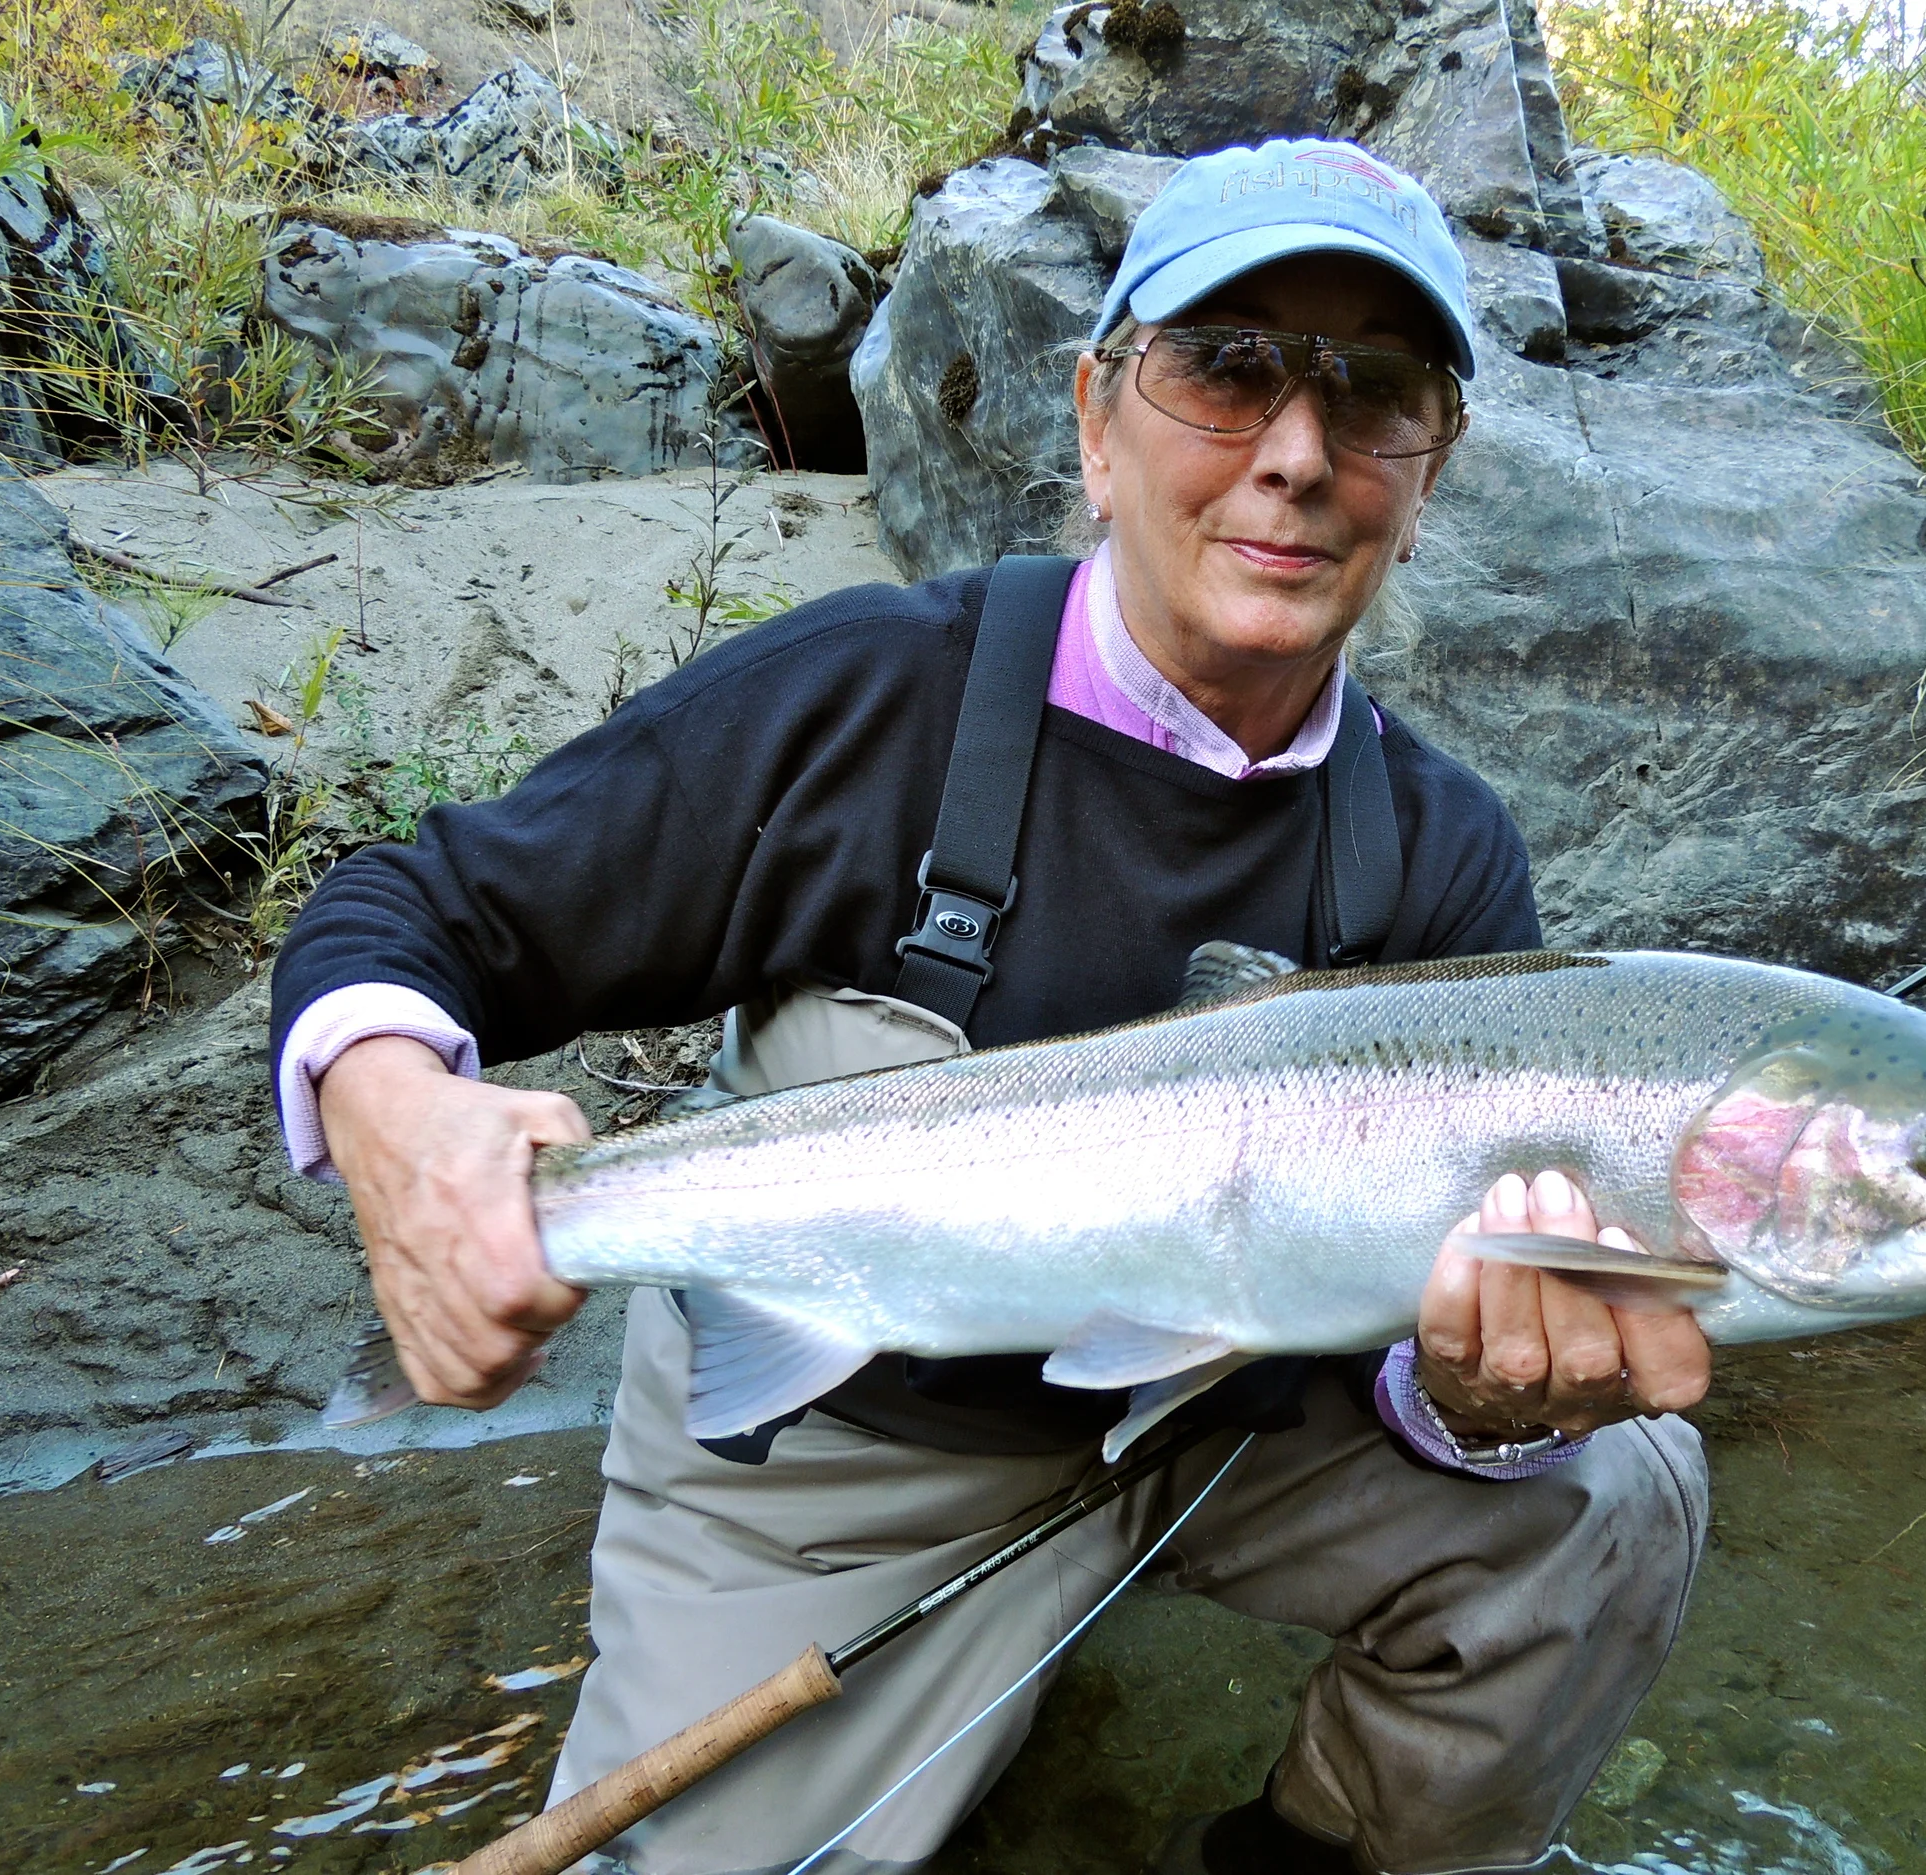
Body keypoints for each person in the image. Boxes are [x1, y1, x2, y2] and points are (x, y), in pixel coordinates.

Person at [270, 138, 1712, 1875]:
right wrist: (390, 1108)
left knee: (1613, 1495)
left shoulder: (1444, 848)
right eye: (1226, 367)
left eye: (1374, 392)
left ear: (1429, 466)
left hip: (1230, 1431)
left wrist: (1485, 1398)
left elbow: (1428, 1367)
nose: (1297, 452)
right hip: (844, 1449)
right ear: (1098, 418)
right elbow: (414, 907)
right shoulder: (862, 700)